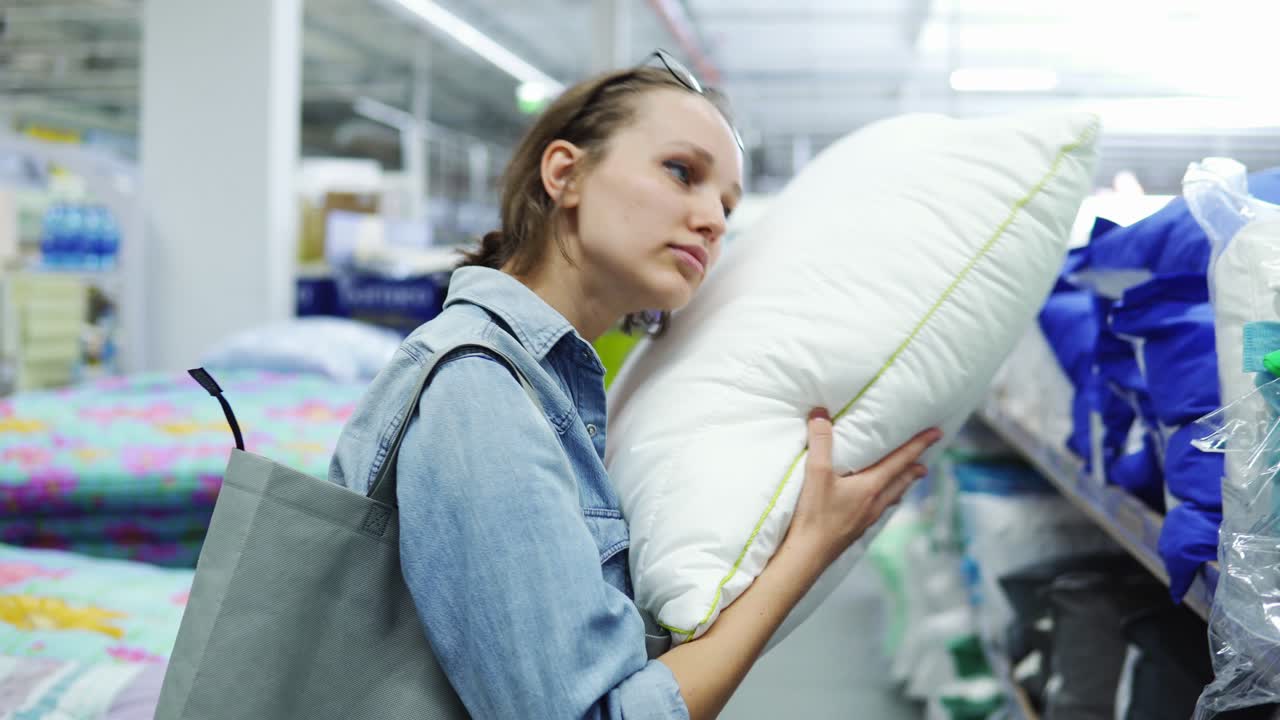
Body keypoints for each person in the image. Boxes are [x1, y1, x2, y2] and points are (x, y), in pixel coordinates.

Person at [329, 49, 941, 720]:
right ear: (565, 174)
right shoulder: (482, 391)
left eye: (727, 206)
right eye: (682, 172)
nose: (711, 219)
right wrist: (807, 551)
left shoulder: (552, 383)